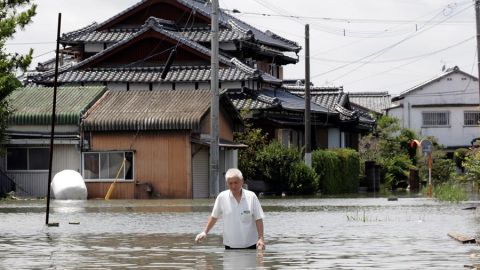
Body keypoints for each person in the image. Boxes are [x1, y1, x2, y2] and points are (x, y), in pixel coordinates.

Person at [195, 168, 265, 249]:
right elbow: (214, 217)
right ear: (227, 184)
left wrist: (261, 238)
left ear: (242, 181)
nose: (233, 186)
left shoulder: (251, 196)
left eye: (236, 182)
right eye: (230, 183)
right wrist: (205, 232)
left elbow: (258, 218)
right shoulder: (222, 197)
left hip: (250, 245)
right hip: (230, 246)